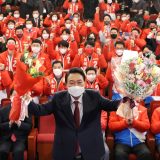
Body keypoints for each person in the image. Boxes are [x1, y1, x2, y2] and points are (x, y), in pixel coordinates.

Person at [27, 67, 120, 160]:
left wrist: (127, 99)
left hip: (91, 148)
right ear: (66, 84)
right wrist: (25, 99)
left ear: (84, 83)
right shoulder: (58, 98)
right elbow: (39, 110)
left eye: (79, 82)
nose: (76, 85)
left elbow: (112, 105)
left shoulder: (94, 96)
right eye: (71, 83)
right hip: (65, 149)